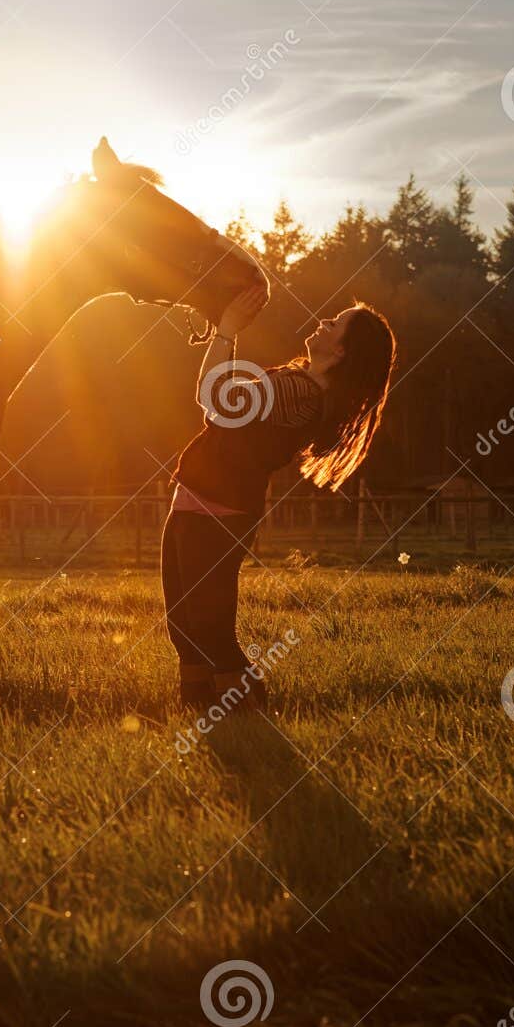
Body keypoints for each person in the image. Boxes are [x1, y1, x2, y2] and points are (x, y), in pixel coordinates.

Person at [162, 287, 396, 712]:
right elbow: (219, 403)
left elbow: (213, 398)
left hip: (219, 512)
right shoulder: (298, 383)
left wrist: (227, 331)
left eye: (335, 323)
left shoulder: (301, 394)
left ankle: (245, 711)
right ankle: (196, 706)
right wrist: (224, 334)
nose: (323, 322)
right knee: (183, 622)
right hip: (195, 498)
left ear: (342, 351)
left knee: (207, 625)